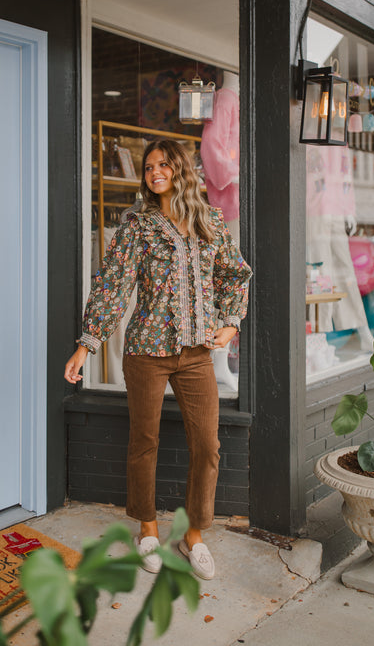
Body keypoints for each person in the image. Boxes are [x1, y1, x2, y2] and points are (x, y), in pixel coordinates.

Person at [64, 139, 252, 580]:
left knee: (207, 445)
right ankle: (147, 528)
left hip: (196, 355)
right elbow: (113, 286)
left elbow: (235, 273)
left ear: (180, 169)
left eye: (163, 164)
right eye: (148, 167)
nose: (154, 172)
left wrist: (231, 321)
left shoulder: (209, 221)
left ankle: (193, 535)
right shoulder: (136, 226)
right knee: (143, 441)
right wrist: (86, 344)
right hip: (146, 352)